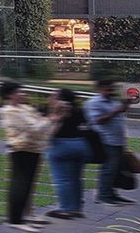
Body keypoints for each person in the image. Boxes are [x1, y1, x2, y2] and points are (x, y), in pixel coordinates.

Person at [0, 81, 54, 231]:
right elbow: (34, 128)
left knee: (29, 185)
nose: (23, 94)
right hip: (20, 150)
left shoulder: (25, 108)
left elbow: (41, 125)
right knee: (19, 185)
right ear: (10, 95)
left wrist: (48, 119)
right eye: (19, 91)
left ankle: (27, 215)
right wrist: (51, 118)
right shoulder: (9, 111)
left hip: (34, 150)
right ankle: (15, 219)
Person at [44, 86, 91, 219]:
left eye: (53, 95)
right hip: (80, 145)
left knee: (62, 179)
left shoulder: (55, 110)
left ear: (59, 98)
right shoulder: (79, 110)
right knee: (76, 179)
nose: (50, 97)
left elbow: (47, 128)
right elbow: (87, 124)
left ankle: (64, 209)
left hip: (60, 146)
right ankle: (76, 209)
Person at [86, 78, 134, 206]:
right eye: (109, 88)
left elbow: (117, 117)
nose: (112, 91)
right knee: (108, 169)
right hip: (106, 140)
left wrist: (125, 106)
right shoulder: (94, 103)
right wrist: (116, 110)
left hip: (118, 140)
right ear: (100, 88)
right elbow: (98, 120)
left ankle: (111, 194)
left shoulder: (112, 101)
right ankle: (103, 196)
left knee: (115, 170)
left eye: (113, 88)